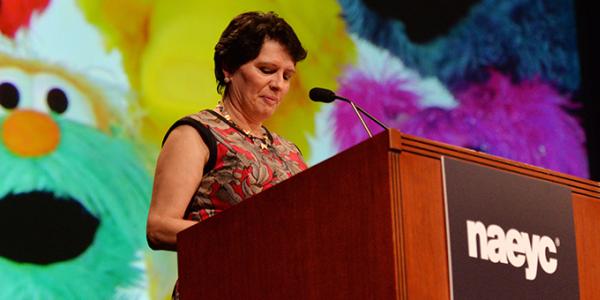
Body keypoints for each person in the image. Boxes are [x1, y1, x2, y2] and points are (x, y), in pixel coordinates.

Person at [146, 11, 308, 252]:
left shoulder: (289, 151)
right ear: (228, 69)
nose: (278, 85)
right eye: (266, 70)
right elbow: (159, 228)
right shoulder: (196, 134)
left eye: (286, 76)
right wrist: (245, 235)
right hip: (220, 284)